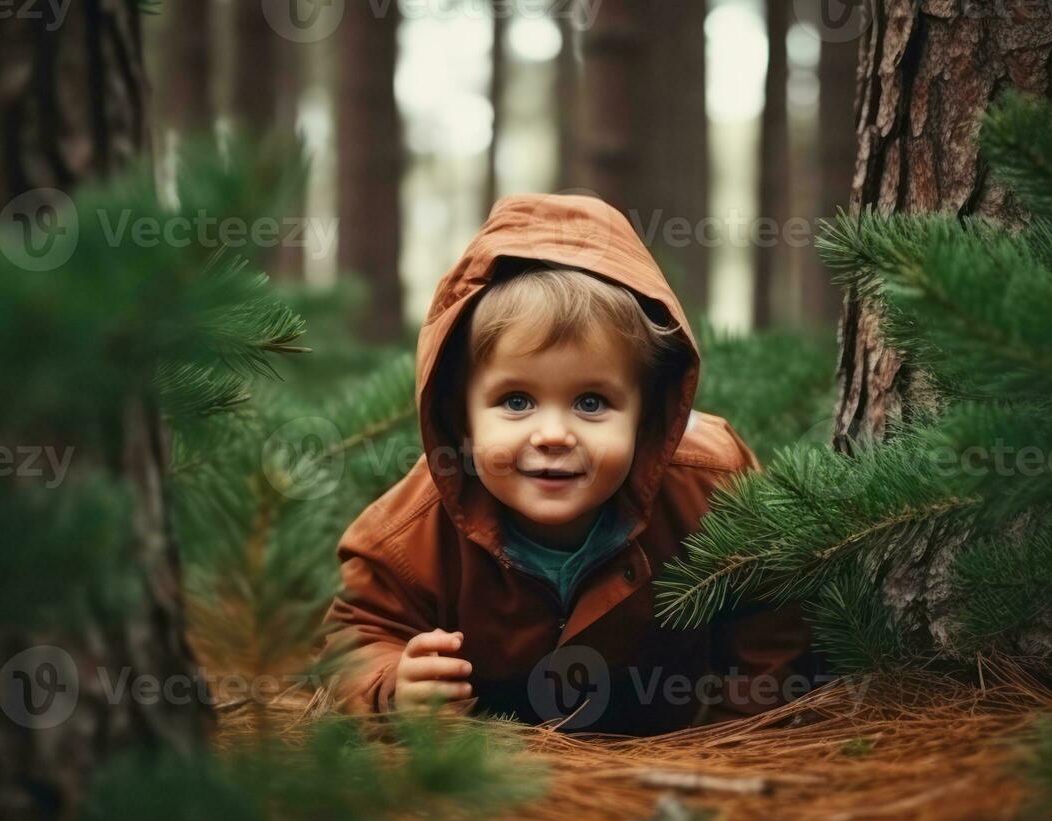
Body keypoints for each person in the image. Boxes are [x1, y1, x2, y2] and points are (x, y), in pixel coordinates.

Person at [319, 193, 813, 734]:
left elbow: (771, 617)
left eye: (591, 403)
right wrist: (392, 685)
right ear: (460, 416)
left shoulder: (710, 489)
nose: (553, 435)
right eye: (516, 402)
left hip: (681, 754)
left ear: (647, 417)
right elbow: (354, 630)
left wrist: (731, 735)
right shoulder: (412, 531)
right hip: (499, 781)